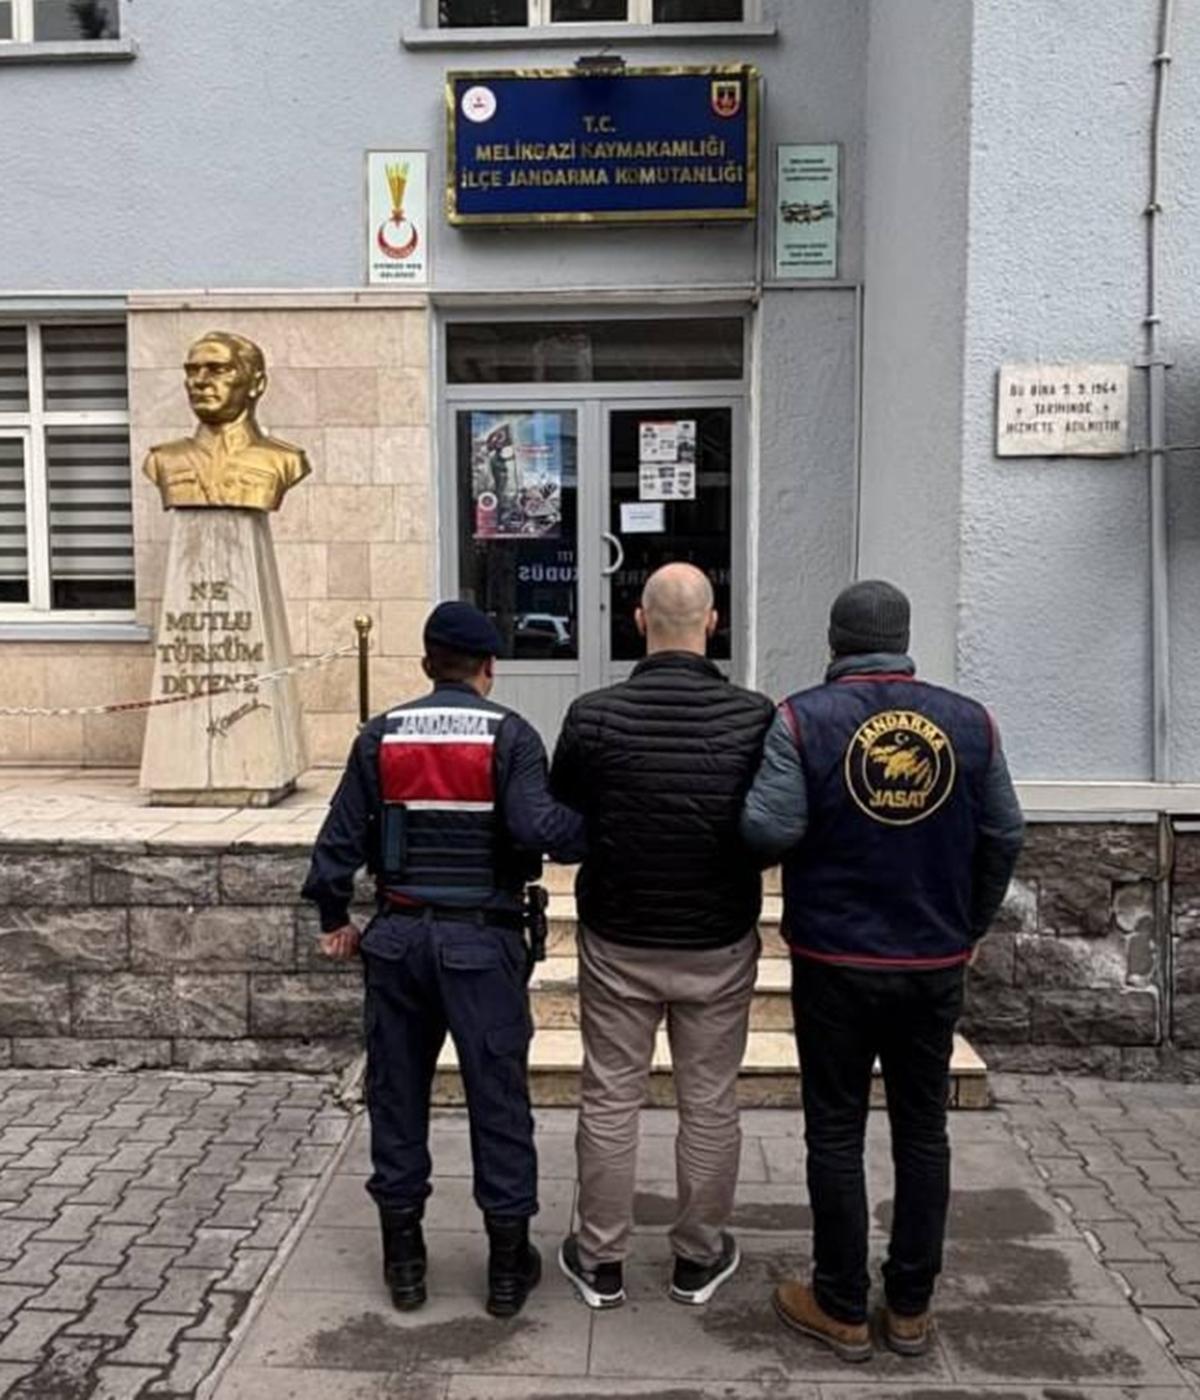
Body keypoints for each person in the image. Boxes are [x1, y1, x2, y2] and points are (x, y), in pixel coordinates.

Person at [740, 579, 1025, 1362]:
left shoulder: (802, 719)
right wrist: (969, 924)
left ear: (835, 642)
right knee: (923, 1130)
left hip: (834, 959)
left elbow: (766, 831)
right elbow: (1006, 833)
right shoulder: (970, 722)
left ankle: (838, 1304)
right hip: (931, 960)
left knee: (835, 1129)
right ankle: (909, 1308)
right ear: (902, 640)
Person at [301, 601, 585, 1319]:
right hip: (482, 945)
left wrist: (335, 917)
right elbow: (537, 828)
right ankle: (506, 1272)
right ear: (489, 667)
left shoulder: (381, 735)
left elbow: (337, 842)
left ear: (428, 664)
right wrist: (596, 824)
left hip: (397, 942)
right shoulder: (510, 735)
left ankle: (405, 1267)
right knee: (498, 1100)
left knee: (397, 1096)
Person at [550, 562, 774, 1310]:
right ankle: (697, 1258)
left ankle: (600, 1259)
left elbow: (565, 820)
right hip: (718, 937)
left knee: (610, 1096)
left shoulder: (593, 716)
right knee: (709, 1101)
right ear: (712, 623)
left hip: (619, 935)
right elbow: (770, 824)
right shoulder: (754, 716)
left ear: (639, 622)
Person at [143, 331, 310, 511]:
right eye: (192, 371)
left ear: (256, 384)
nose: (199, 381)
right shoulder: (163, 459)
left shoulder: (285, 460)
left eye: (219, 370)